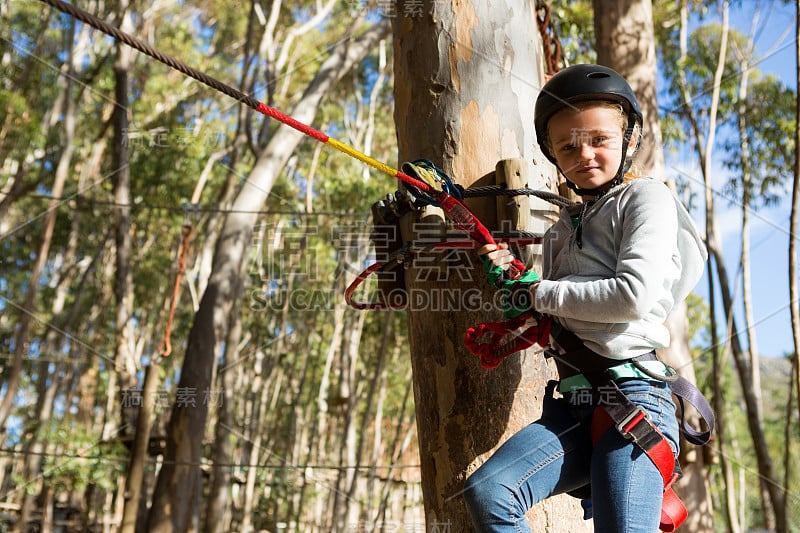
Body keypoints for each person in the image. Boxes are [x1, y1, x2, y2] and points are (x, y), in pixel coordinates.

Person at [462, 64, 710, 532]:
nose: (585, 154)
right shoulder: (560, 232)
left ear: (628, 139)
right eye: (568, 146)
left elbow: (631, 296)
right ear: (554, 156)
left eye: (599, 139)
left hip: (635, 400)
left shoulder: (645, 199)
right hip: (575, 406)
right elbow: (554, 315)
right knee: (490, 492)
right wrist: (514, 291)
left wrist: (534, 289)